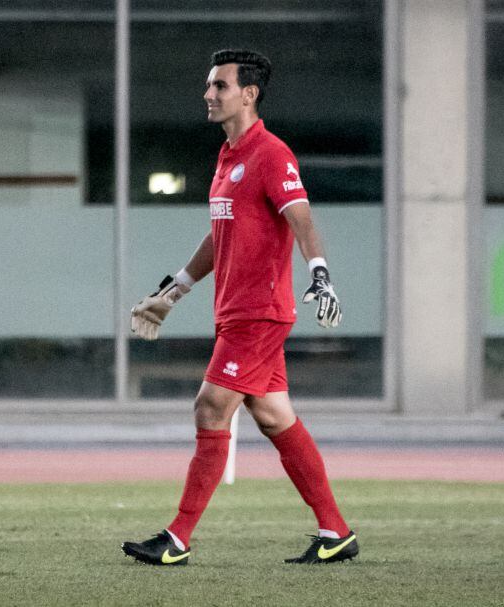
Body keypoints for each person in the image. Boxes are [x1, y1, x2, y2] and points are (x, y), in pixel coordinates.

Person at [121, 49, 357, 566]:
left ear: (248, 94)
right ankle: (335, 531)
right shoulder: (229, 157)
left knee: (210, 406)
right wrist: (174, 291)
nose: (209, 94)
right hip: (235, 311)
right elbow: (220, 234)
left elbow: (302, 218)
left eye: (219, 86)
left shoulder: (272, 154)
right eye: (210, 86)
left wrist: (321, 274)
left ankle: (177, 538)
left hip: (259, 313)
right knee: (273, 416)